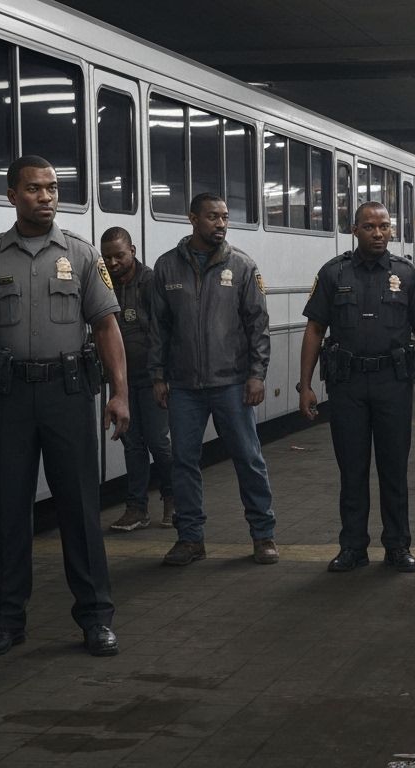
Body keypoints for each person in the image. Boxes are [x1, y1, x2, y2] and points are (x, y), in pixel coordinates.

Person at [0, 155, 129, 660]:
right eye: (34, 189)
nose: (46, 196)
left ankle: (96, 618)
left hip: (68, 393)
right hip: (8, 397)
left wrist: (120, 392)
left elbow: (107, 327)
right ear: (12, 195)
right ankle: (6, 622)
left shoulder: (82, 254)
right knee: (9, 513)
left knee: (79, 508)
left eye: (52, 188)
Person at [298, 202, 415, 573]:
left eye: (384, 226)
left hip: (392, 384)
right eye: (370, 227)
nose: (378, 233)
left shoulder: (406, 274)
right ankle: (352, 547)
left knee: (394, 469)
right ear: (355, 230)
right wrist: (305, 386)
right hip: (347, 385)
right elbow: (314, 329)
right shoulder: (333, 273)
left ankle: (397, 546)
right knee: (352, 470)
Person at [148, 193, 278, 567]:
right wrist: (158, 376)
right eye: (212, 217)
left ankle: (263, 535)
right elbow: (159, 329)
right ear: (193, 219)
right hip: (184, 387)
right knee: (183, 463)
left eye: (224, 217)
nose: (221, 224)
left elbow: (258, 327)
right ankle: (190, 539)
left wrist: (257, 375)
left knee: (248, 459)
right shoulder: (166, 268)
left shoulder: (241, 266)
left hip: (232, 384)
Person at [100, 227, 174, 532]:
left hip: (153, 378)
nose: (114, 262)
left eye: (119, 255)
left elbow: (164, 331)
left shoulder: (152, 282)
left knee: (159, 442)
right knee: (132, 445)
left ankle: (174, 501)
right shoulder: (105, 285)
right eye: (108, 258)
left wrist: (162, 377)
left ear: (133, 250)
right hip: (123, 382)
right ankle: (137, 509)